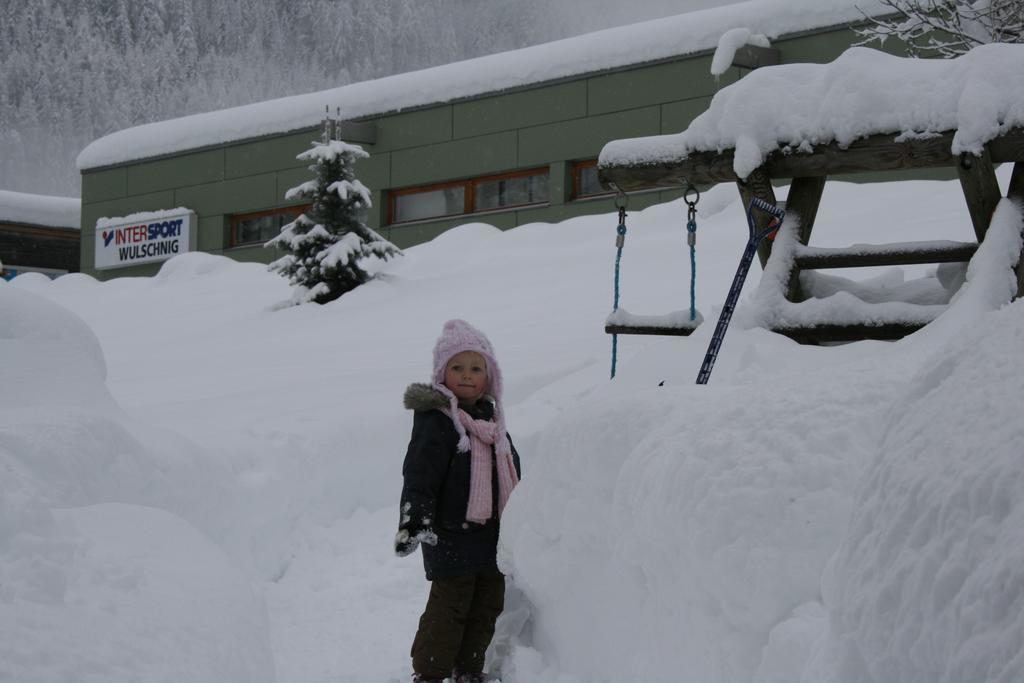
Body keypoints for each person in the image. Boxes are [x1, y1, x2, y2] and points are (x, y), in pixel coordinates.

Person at [395, 319, 522, 683]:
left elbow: (512, 468)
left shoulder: (494, 422)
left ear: (489, 376)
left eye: (476, 368)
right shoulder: (437, 421)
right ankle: (430, 673)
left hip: (490, 536)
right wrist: (414, 521)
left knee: (486, 604)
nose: (467, 376)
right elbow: (420, 474)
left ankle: (468, 670)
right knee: (450, 608)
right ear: (442, 373)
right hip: (450, 535)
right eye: (457, 367)